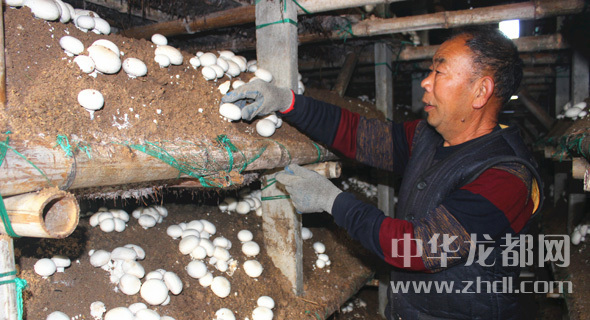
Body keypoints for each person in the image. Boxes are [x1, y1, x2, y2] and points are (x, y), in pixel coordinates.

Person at [222, 26, 543, 320]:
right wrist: (287, 102)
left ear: (481, 91)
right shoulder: (427, 137)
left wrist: (332, 201)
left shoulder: (506, 176)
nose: (426, 82)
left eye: (439, 71)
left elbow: (419, 247)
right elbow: (358, 135)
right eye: (430, 70)